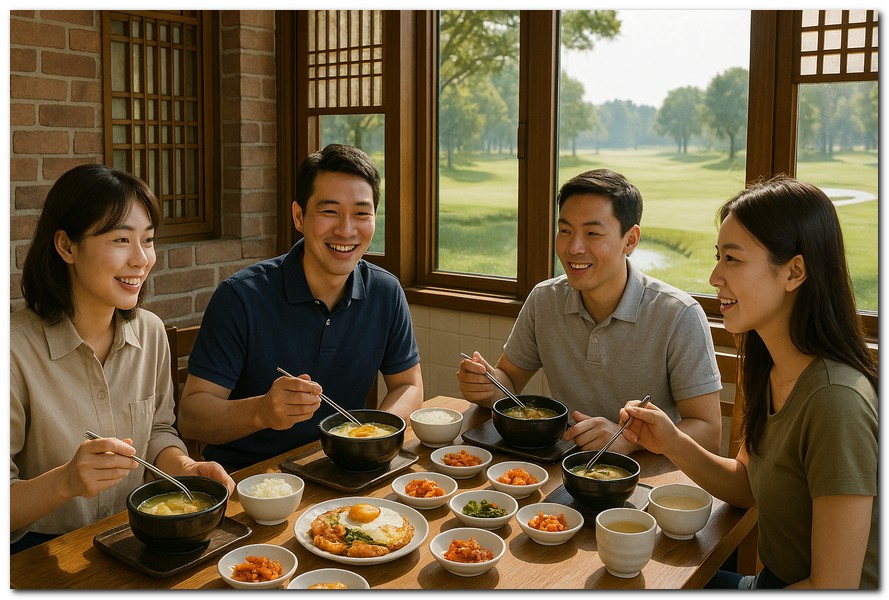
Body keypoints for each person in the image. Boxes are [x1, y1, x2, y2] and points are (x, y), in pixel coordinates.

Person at [621, 176, 878, 589]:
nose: (714, 276)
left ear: (794, 271)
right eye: (718, 256)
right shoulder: (771, 366)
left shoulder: (836, 402)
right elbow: (746, 486)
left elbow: (833, 588)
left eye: (732, 259)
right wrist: (669, 441)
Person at [10, 164, 234, 554]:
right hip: (37, 554)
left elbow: (159, 433)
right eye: (120, 240)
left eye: (147, 240)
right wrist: (66, 481)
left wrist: (187, 469)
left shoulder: (150, 332)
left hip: (135, 540)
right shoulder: (12, 351)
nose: (141, 259)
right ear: (66, 246)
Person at [178, 144, 423, 470]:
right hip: (252, 483)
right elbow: (192, 417)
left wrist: (372, 434)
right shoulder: (240, 297)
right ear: (298, 216)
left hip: (343, 471)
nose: (346, 230)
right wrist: (262, 411)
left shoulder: (385, 291)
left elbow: (409, 384)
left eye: (361, 213)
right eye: (330, 211)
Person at [457, 168, 722, 454]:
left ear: (630, 240)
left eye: (592, 233)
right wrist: (487, 386)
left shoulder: (678, 315)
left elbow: (708, 431)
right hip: (566, 465)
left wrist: (630, 440)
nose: (574, 247)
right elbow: (509, 380)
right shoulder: (545, 300)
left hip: (651, 478)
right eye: (565, 230)